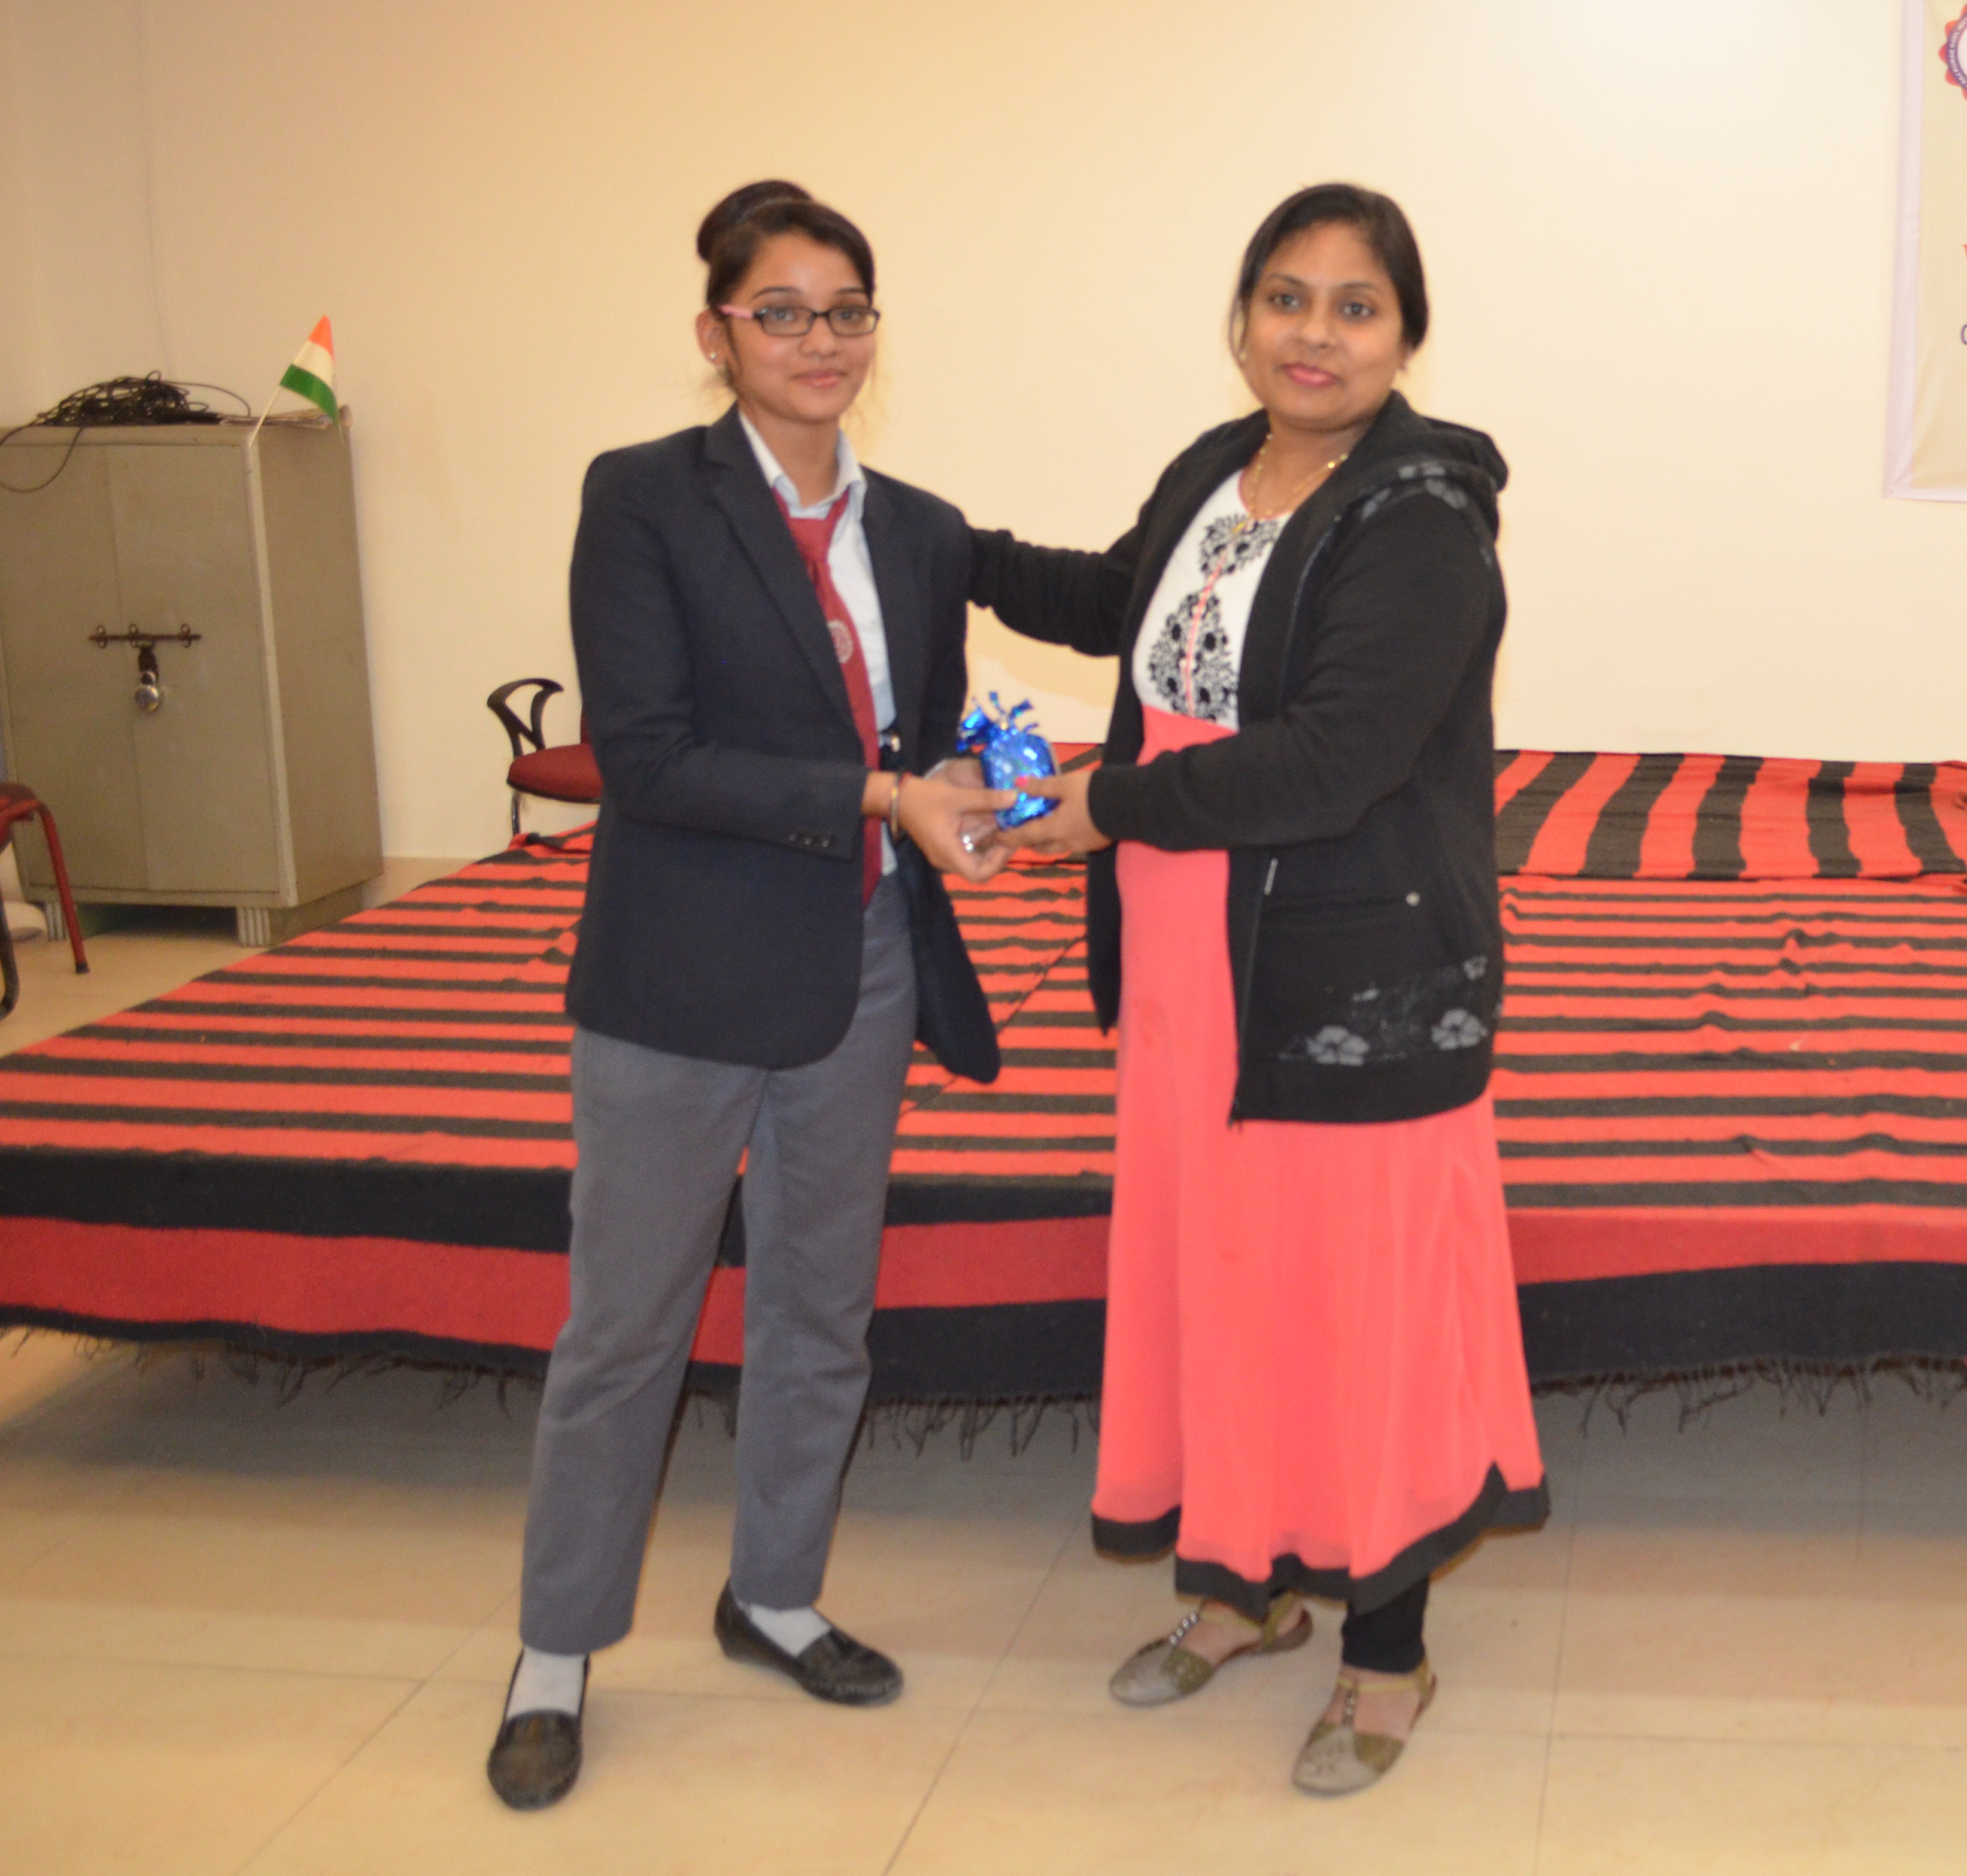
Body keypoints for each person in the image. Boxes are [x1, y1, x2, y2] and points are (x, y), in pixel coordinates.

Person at [969, 183, 1543, 1795]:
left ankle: (1387, 1653)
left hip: (1342, 967)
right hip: (1187, 955)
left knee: (1357, 1308)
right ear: (1241, 320)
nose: (1315, 333)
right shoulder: (1217, 470)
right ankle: (1243, 1587)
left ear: (1406, 336)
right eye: (1286, 298)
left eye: (1357, 306)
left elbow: (1335, 760)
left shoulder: (1422, 518)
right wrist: (944, 545)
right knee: (1220, 1275)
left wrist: (1107, 805)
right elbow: (1114, 600)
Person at [487, 180, 1005, 1810]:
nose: (818, 340)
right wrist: (881, 796)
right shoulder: (645, 496)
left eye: (846, 310)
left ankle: (775, 1594)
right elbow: (646, 759)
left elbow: (931, 727)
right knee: (625, 1328)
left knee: (819, 1308)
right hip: (679, 974)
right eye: (780, 311)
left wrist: (969, 794)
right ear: (717, 333)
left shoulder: (917, 528)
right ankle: (557, 1651)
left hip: (862, 962)